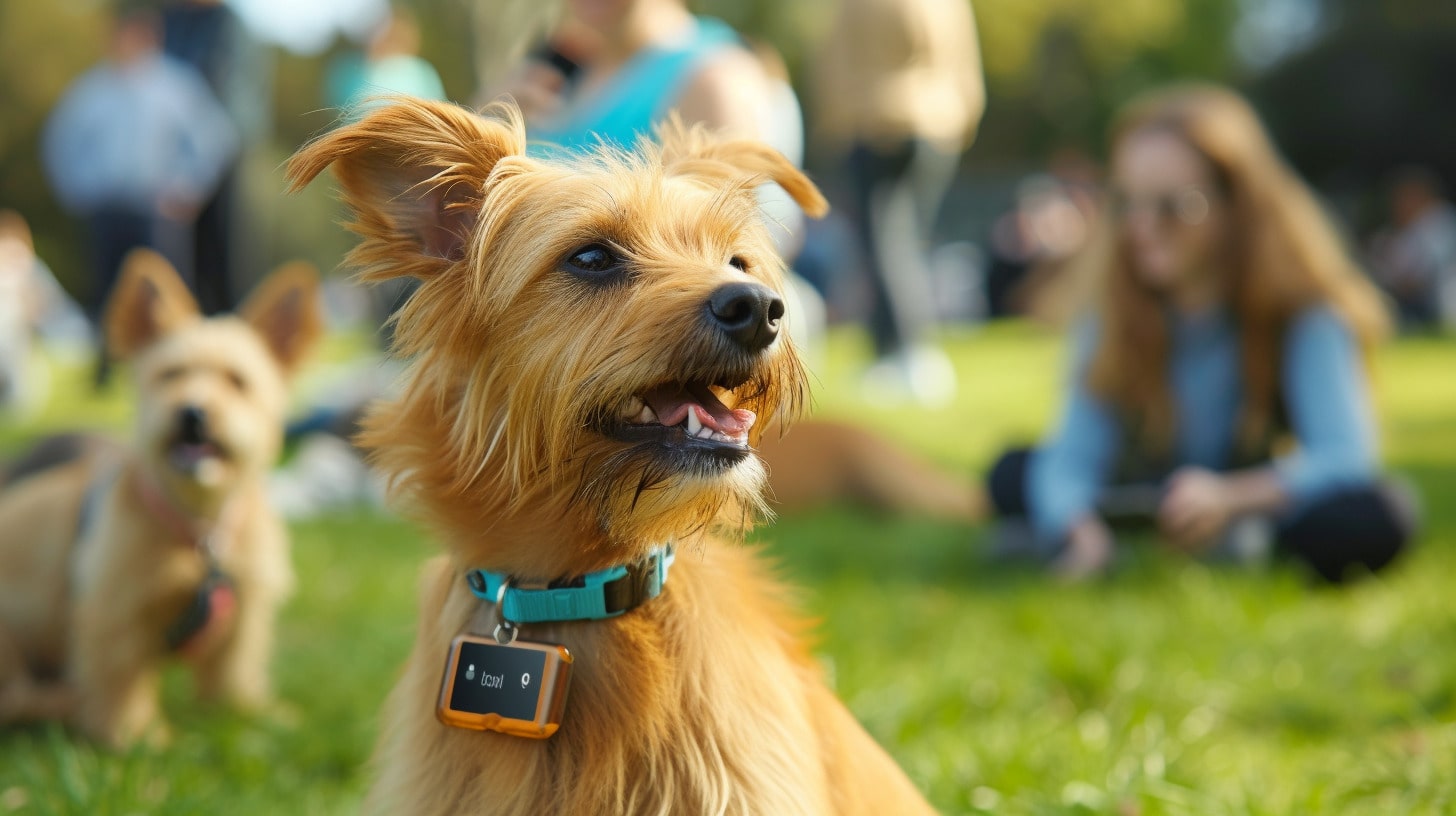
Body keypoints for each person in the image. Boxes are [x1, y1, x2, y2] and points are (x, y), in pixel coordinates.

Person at [985, 85, 1417, 583]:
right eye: (1128, 202)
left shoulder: (1303, 308)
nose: (1143, 226)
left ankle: (1238, 537)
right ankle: (1126, 540)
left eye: (1175, 205)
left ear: (1238, 202)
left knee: (1379, 513)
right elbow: (1074, 454)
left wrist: (1229, 498)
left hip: (1250, 492)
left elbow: (1345, 456)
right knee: (1015, 473)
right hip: (1142, 492)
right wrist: (1078, 524)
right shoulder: (1112, 308)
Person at [42, 7, 238, 385]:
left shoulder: (177, 86)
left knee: (166, 290)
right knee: (105, 290)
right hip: (108, 208)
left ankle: (181, 361)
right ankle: (105, 366)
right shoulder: (91, 90)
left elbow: (215, 140)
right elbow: (61, 144)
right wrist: (82, 190)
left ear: (150, 38)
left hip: (156, 210)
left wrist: (185, 188)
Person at [813, 0, 985, 407]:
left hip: (875, 125)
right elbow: (965, 63)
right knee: (906, 241)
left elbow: (834, 64)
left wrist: (833, 125)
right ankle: (909, 354)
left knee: (885, 246)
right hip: (937, 123)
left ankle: (902, 355)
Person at [163, 0, 270, 315]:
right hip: (175, 157)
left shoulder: (230, 25)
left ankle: (230, 324)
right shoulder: (171, 18)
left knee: (226, 253)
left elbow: (229, 96)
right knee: (183, 259)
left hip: (225, 153)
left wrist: (200, 171)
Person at [1368, 167, 1456, 331]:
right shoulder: (1406, 229)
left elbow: (1418, 281)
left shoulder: (1440, 221)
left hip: (1438, 304)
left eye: (1404, 197)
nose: (1398, 204)